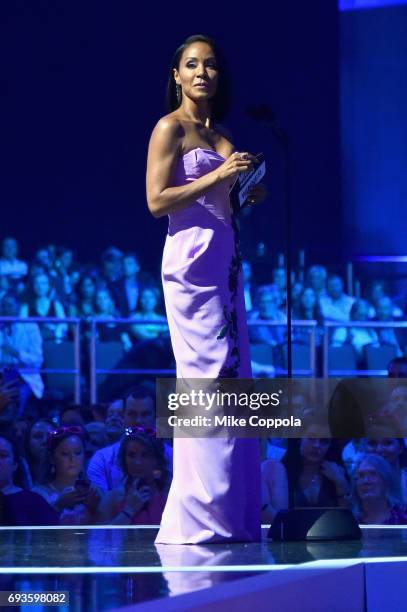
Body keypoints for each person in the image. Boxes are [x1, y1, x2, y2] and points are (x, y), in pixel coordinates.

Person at [146, 34, 265, 544]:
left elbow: (222, 206)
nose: (202, 73)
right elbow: (157, 201)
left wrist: (245, 194)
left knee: (234, 380)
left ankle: (233, 513)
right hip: (191, 267)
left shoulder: (225, 134)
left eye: (211, 64)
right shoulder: (169, 128)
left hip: (227, 261)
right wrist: (216, 176)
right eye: (191, 65)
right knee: (207, 382)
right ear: (176, 75)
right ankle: (201, 514)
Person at [32, 425, 102, 525]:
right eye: (65, 454)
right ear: (52, 458)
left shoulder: (95, 491)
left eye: (78, 453)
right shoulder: (38, 495)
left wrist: (93, 509)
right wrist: (58, 506)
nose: (72, 459)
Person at [98, 429, 170, 525]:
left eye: (145, 455)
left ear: (156, 460)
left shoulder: (170, 497)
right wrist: (129, 510)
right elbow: (101, 538)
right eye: (131, 455)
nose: (137, 462)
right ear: (124, 459)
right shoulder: (112, 498)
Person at [352, 453, 407, 525]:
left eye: (373, 474)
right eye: (361, 475)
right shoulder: (350, 522)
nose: (366, 481)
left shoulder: (403, 518)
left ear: (387, 481)